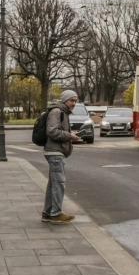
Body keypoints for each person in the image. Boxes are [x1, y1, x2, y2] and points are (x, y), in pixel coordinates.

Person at [42, 90, 79, 224]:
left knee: (53, 184)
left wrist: (70, 134)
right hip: (55, 152)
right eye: (72, 100)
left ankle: (47, 213)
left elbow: (56, 130)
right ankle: (56, 213)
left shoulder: (62, 111)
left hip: (56, 152)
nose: (74, 103)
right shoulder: (57, 111)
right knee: (59, 184)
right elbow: (52, 131)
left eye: (75, 100)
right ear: (64, 100)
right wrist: (70, 136)